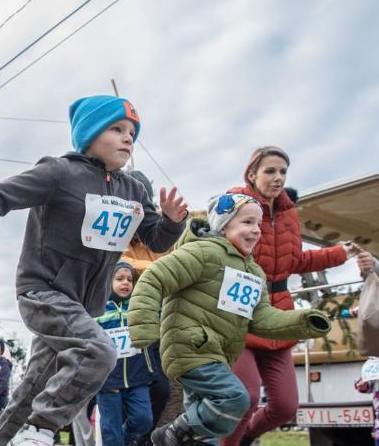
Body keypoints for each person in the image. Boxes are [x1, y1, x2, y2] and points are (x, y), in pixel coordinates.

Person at [0, 95, 187, 446]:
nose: (128, 139)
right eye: (117, 129)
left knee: (30, 388)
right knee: (100, 350)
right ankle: (41, 430)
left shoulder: (133, 189)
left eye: (133, 133)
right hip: (42, 291)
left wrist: (171, 222)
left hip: (83, 306)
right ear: (89, 133)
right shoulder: (60, 173)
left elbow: (154, 240)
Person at [127, 193, 333, 445]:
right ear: (223, 225)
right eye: (247, 222)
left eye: (258, 224)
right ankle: (170, 433)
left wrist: (302, 321)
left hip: (217, 355)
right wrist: (144, 327)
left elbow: (261, 319)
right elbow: (154, 278)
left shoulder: (254, 272)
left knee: (206, 435)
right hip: (190, 348)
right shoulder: (204, 252)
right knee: (235, 398)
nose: (256, 230)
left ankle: (183, 436)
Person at [222, 147, 356, 446]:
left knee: (285, 406)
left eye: (283, 171)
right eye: (270, 171)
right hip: (239, 311)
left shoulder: (289, 213)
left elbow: (295, 261)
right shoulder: (233, 205)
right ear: (252, 174)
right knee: (246, 397)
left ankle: (245, 439)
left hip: (280, 315)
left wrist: (338, 253)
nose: (278, 177)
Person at [119, 170, 172, 446]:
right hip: (127, 326)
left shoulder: (162, 235)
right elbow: (121, 264)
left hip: (162, 323)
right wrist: (163, 268)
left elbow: (179, 259)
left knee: (162, 389)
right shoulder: (117, 235)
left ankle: (139, 441)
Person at [94, 262, 153, 446]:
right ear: (108, 282)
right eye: (119, 279)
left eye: (130, 279)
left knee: (144, 420)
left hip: (137, 376)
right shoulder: (98, 309)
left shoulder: (138, 308)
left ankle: (126, 441)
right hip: (108, 378)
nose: (125, 283)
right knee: (110, 429)